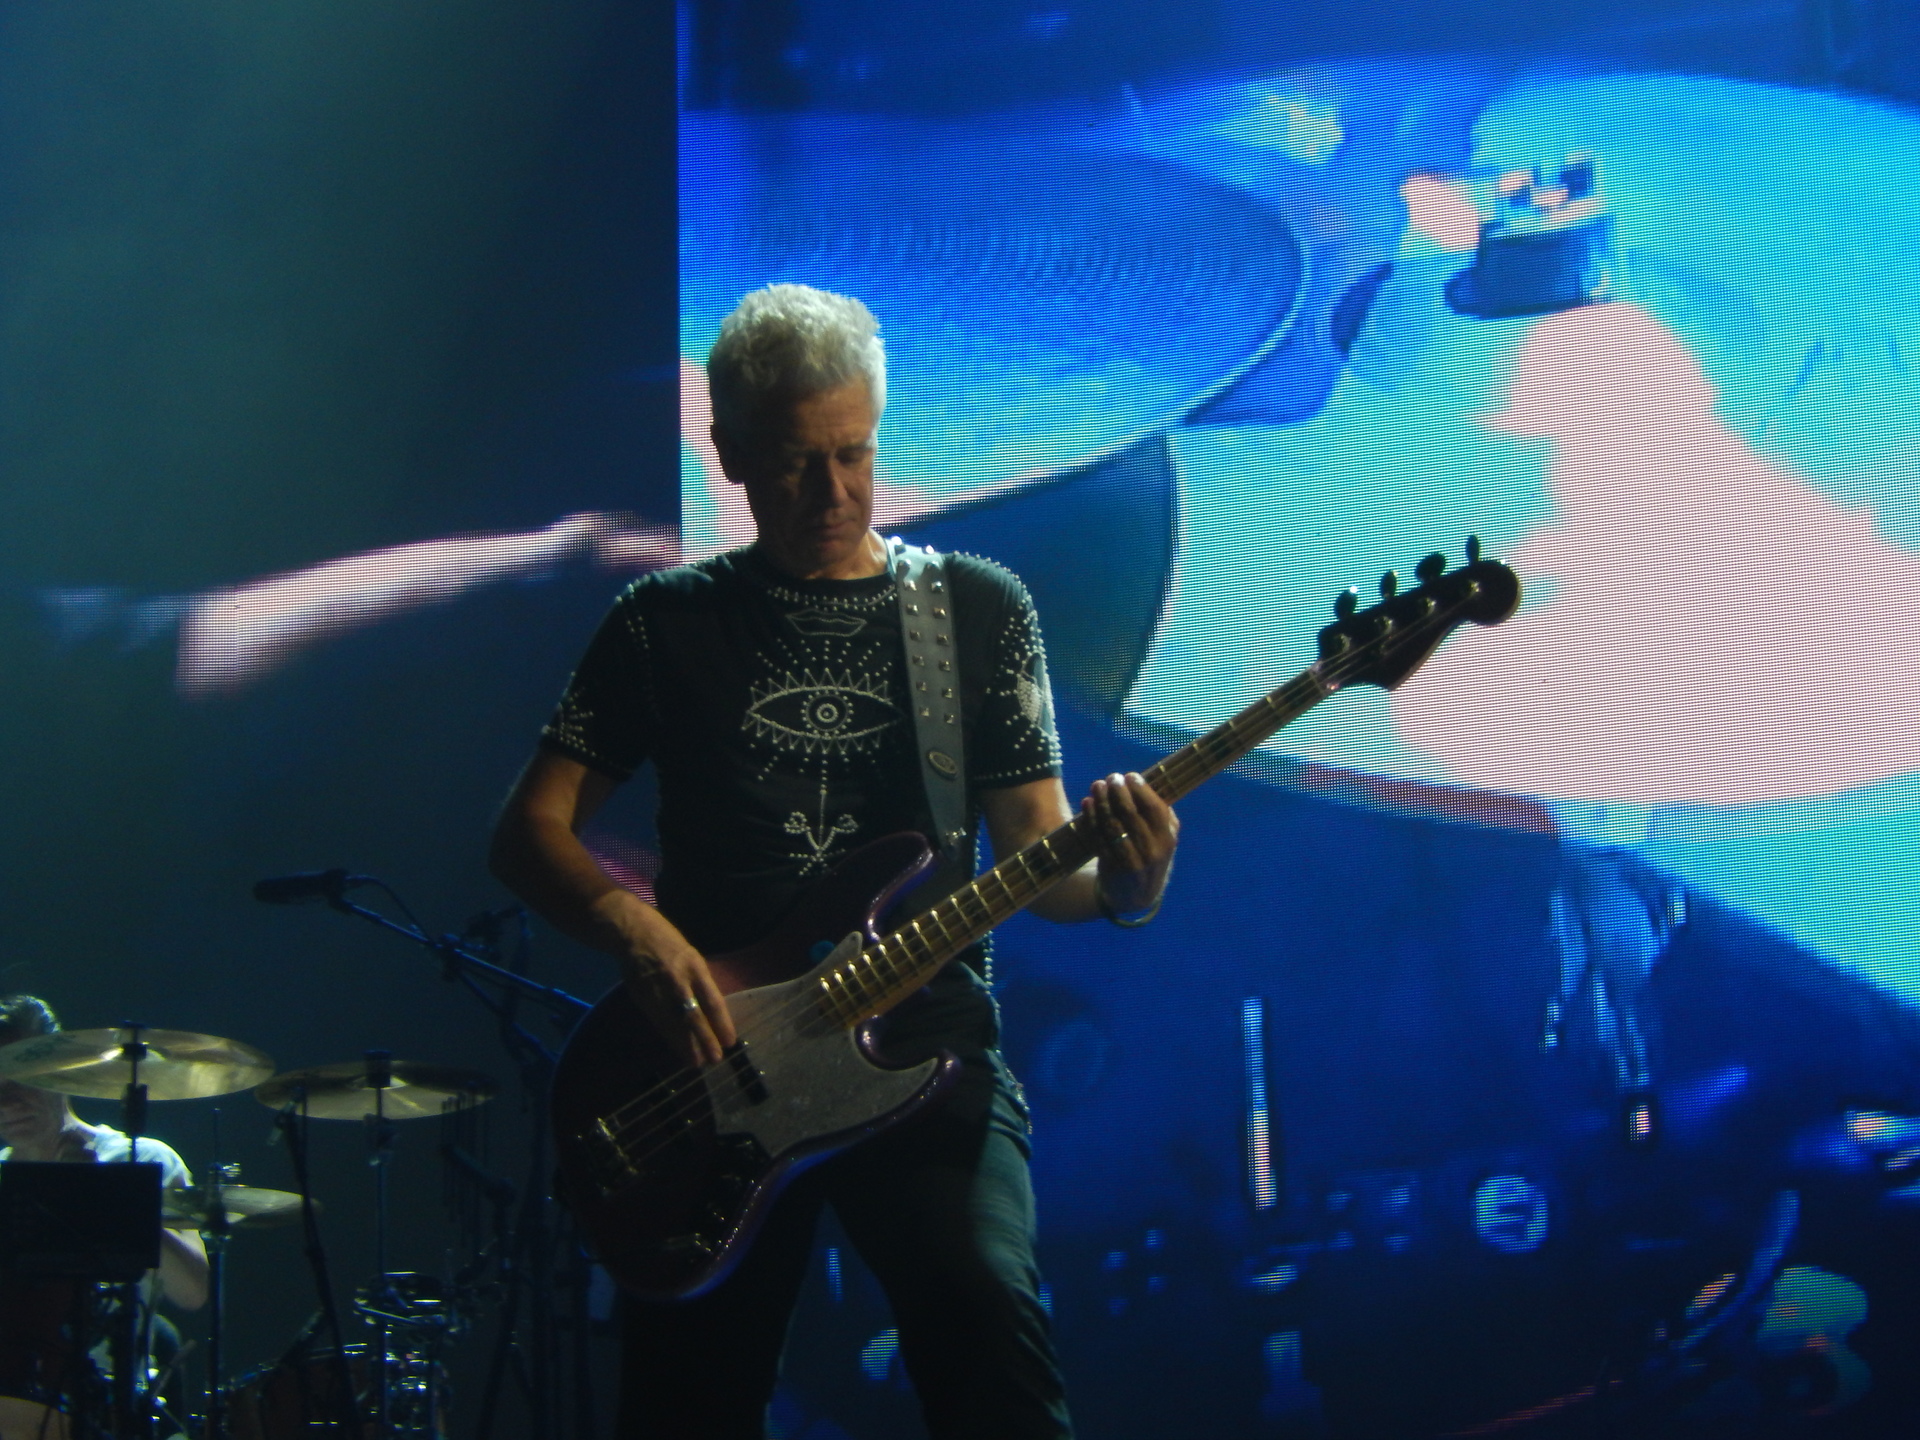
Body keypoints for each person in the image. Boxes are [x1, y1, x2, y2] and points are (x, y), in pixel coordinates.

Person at [489, 282, 1179, 1439]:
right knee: (683, 1411)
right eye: (796, 461)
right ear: (729, 453)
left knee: (992, 1340)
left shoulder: (977, 610)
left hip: (926, 1057)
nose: (835, 492)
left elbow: (1043, 863)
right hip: (717, 1076)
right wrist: (632, 925)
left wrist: (1128, 886)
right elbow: (528, 832)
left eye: (854, 453)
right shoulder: (661, 621)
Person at [0, 995, 210, 1440]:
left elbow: (192, 1291)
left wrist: (103, 1193)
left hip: (108, 1406)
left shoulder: (141, 1159)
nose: (6, 1100)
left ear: (62, 1071)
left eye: (19, 1078)